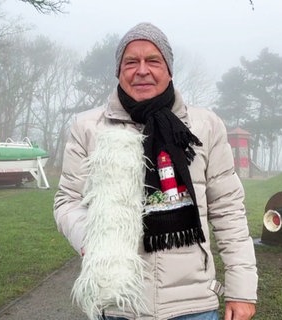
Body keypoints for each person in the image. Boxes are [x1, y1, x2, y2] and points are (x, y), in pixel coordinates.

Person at [54, 22, 258, 320]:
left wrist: (242, 291)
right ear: (118, 71)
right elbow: (67, 201)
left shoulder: (205, 126)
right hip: (118, 304)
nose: (142, 70)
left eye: (153, 60)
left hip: (192, 305)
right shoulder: (88, 127)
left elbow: (228, 211)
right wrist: (94, 240)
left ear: (169, 69)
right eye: (131, 62)